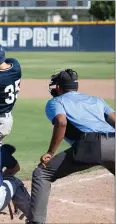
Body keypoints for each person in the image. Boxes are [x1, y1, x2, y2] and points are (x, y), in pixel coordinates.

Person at [27, 69, 115, 224]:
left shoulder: (56, 102)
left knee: (42, 174)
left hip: (91, 146)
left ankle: (36, 222)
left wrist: (50, 152)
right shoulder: (97, 100)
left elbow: (61, 122)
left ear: (59, 87)